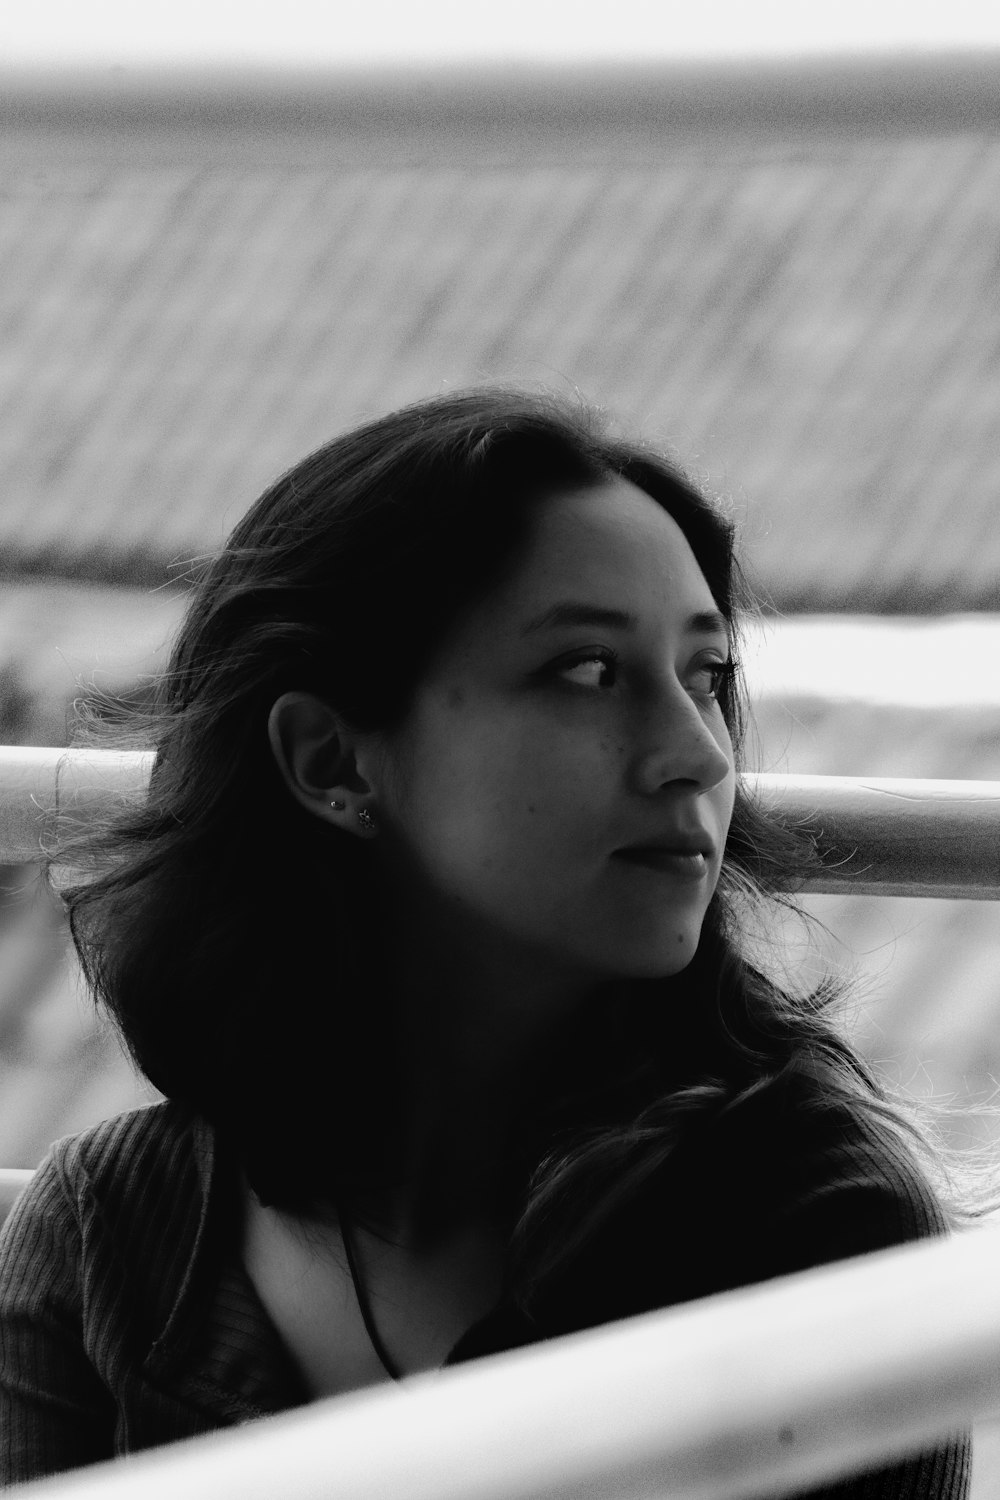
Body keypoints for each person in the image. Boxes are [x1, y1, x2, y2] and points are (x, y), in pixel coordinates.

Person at [0, 389, 970, 1493]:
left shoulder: (815, 1229)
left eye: (707, 678)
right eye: (588, 672)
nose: (694, 754)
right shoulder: (113, 1236)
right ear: (330, 762)